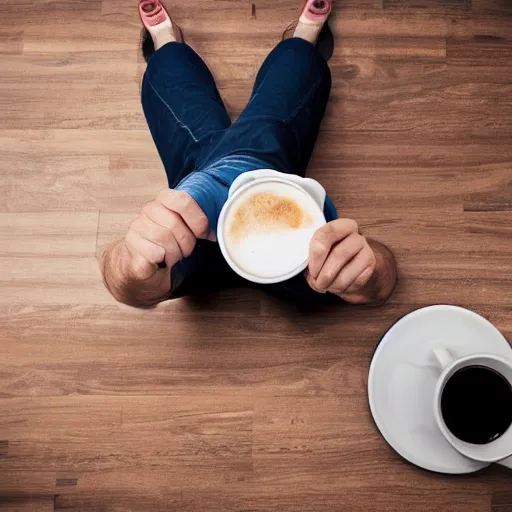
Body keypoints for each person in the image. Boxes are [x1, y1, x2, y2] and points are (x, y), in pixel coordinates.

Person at [100, 0, 397, 309]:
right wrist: (371, 274)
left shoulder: (181, 225)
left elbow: (125, 285)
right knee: (296, 70)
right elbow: (383, 282)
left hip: (204, 215)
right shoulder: (316, 257)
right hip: (278, 207)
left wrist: (130, 267)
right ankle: (301, 45)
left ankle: (167, 47)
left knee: (169, 70)